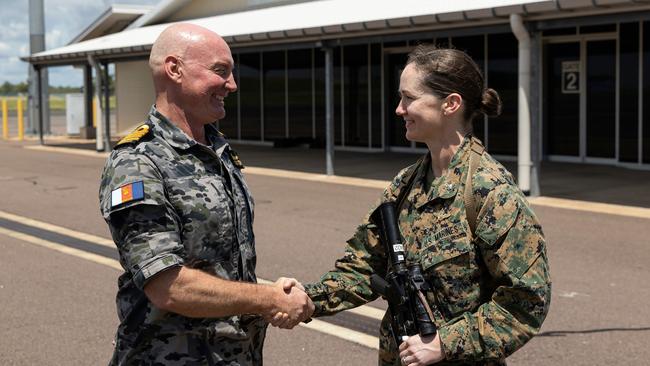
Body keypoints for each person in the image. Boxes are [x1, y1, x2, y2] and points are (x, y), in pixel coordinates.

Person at [304, 45, 551, 366]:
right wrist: (307, 299)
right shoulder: (406, 184)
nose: (399, 109)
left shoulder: (490, 191)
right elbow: (365, 266)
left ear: (450, 104)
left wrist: (444, 344)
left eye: (409, 98)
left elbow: (526, 301)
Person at [99, 23, 313, 366]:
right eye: (220, 71)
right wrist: (267, 299)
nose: (232, 85)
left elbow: (222, 263)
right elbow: (167, 284)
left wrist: (273, 293)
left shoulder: (217, 150)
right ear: (174, 70)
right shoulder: (138, 162)